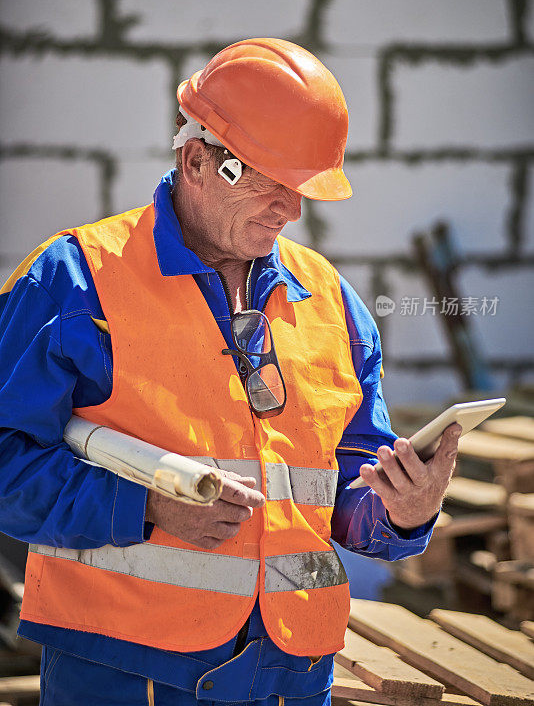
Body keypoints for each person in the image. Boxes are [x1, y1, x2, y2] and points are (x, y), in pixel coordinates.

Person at [0, 38, 460, 706]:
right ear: (198, 161)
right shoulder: (73, 281)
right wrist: (147, 508)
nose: (292, 209)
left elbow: (347, 498)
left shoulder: (331, 301)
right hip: (126, 675)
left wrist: (403, 512)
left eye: (299, 187)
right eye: (272, 181)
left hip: (291, 676)